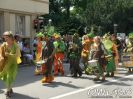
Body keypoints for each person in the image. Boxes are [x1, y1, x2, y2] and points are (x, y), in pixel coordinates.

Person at [0, 31, 21, 97]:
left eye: (6, 38)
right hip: (6, 64)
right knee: (6, 77)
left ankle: (8, 91)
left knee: (10, 77)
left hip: (13, 64)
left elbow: (18, 55)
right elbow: (0, 54)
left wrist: (9, 54)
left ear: (11, 37)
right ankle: (10, 88)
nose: (5, 39)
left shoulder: (15, 45)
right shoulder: (3, 45)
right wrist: (1, 58)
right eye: (4, 38)